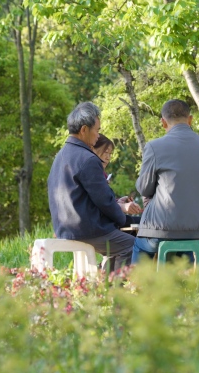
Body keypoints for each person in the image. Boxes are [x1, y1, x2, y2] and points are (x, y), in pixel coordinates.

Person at [47, 102, 135, 271]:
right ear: (84, 130)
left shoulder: (60, 155)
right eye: (97, 130)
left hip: (64, 228)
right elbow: (104, 201)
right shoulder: (87, 159)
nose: (98, 136)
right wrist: (124, 219)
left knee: (120, 242)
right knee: (131, 244)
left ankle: (105, 287)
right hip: (86, 229)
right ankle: (117, 293)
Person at [132, 99, 199, 263]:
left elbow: (144, 189)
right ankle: (190, 285)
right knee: (187, 249)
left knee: (140, 245)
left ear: (163, 122)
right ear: (190, 120)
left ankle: (136, 287)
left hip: (164, 229)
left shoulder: (154, 147)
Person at [92, 134, 142, 216]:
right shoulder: (91, 173)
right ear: (93, 149)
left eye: (110, 154)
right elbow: (100, 203)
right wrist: (122, 207)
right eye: (106, 152)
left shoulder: (103, 173)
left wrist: (118, 202)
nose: (108, 157)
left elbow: (105, 200)